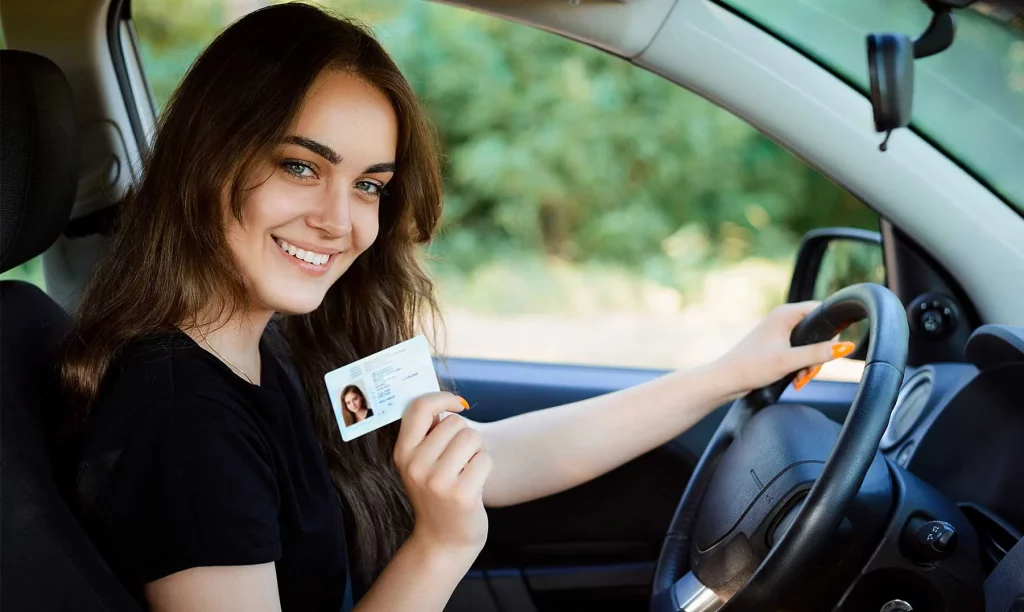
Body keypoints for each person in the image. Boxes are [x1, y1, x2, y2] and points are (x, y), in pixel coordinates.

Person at [59, 4, 855, 611]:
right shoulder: (180, 414)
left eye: (370, 184)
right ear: (208, 159)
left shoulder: (276, 342)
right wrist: (440, 547)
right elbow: (460, 504)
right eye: (301, 167)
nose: (342, 221)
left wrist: (726, 374)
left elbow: (487, 460)